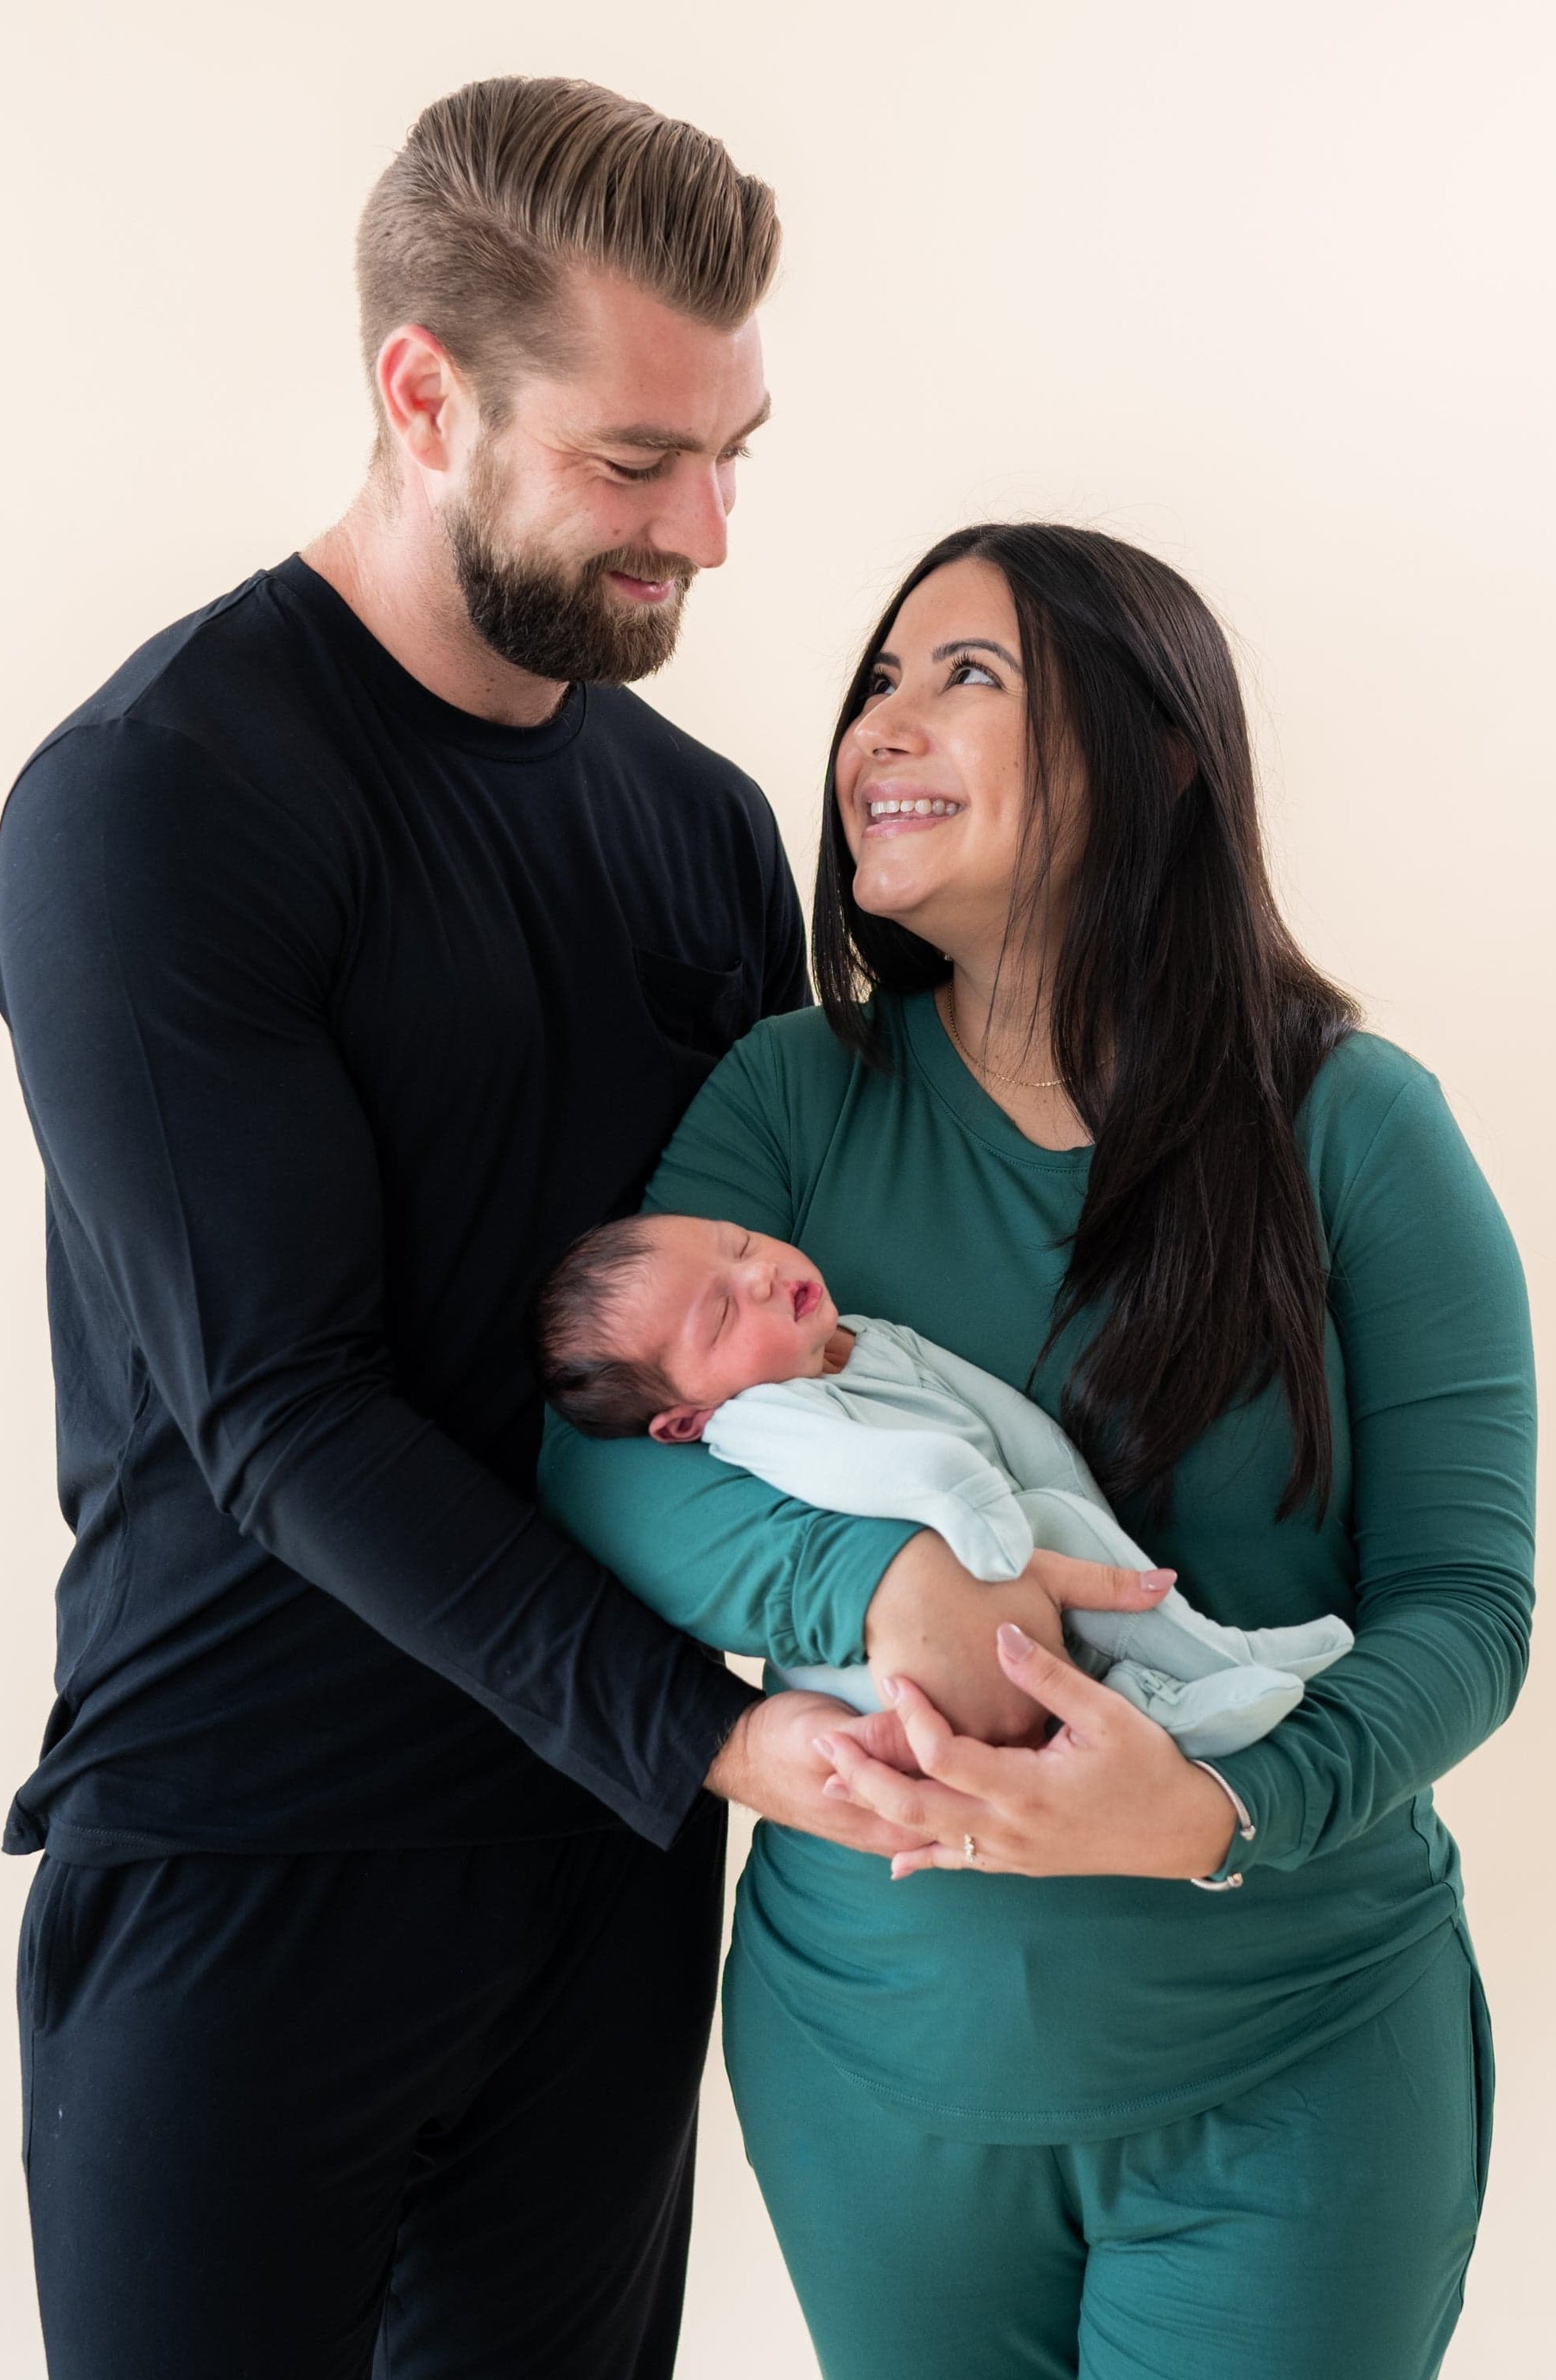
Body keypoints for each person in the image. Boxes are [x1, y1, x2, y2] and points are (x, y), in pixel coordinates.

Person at [0, 76, 1115, 2380]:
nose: (702, 531)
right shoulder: (156, 804)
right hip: (254, 1847)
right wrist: (708, 1741)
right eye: (632, 461)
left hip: (603, 1856)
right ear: (422, 391)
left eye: (734, 455)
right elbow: (281, 1406)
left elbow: (795, 1317)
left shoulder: (697, 827)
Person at [539, 523, 1537, 2380]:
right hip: (872, 2088)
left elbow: (1467, 1605)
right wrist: (891, 1577)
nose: (877, 728)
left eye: (966, 675)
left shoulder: (1352, 1124)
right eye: (878, 678)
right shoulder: (786, 1096)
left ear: (1155, 761)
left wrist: (1225, 1806)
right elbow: (600, 1457)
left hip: (1293, 2067)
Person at [528, 1207, 1354, 1755]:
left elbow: (1014, 1430)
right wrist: (1005, 1529)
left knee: (1061, 1520)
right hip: (900, 1675)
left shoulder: (868, 1341)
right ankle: (1180, 1694)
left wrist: (1056, 1507)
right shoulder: (760, 1417)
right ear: (685, 1420)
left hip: (999, 1555)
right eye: (719, 1316)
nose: (757, 1277)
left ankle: (1185, 1677)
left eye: (738, 1243)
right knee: (1055, 1533)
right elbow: (903, 1469)